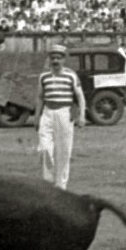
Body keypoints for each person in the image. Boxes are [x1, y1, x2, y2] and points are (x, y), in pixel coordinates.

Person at [33, 43, 86, 190]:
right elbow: (40, 97)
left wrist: (82, 116)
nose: (55, 61)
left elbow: (80, 97)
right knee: (44, 149)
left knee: (64, 151)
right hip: (47, 113)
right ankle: (48, 183)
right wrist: (37, 117)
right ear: (49, 59)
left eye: (58, 58)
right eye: (53, 58)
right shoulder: (43, 76)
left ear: (64, 60)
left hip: (64, 113)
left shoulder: (71, 75)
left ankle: (61, 186)